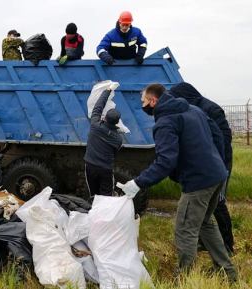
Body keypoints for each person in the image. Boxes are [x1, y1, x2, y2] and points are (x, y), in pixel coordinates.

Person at [117, 84, 238, 282]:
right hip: (217, 176)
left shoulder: (165, 122)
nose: (143, 105)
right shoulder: (193, 109)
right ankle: (227, 272)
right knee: (205, 222)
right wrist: (217, 162)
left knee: (185, 230)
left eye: (143, 102)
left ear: (153, 101)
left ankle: (185, 279)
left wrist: (138, 183)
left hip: (198, 182)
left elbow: (165, 161)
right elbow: (217, 134)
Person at [170, 82, 235, 254]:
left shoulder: (211, 109)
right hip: (205, 164)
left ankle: (228, 245)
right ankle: (205, 242)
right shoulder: (191, 108)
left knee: (218, 203)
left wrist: (217, 164)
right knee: (202, 207)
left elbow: (224, 138)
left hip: (219, 163)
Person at [84, 82, 122, 197]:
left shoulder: (95, 125)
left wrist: (108, 90)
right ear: (117, 122)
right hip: (106, 169)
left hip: (90, 166)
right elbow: (114, 153)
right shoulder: (118, 139)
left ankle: (94, 212)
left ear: (104, 118)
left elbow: (98, 106)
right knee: (106, 197)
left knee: (93, 196)